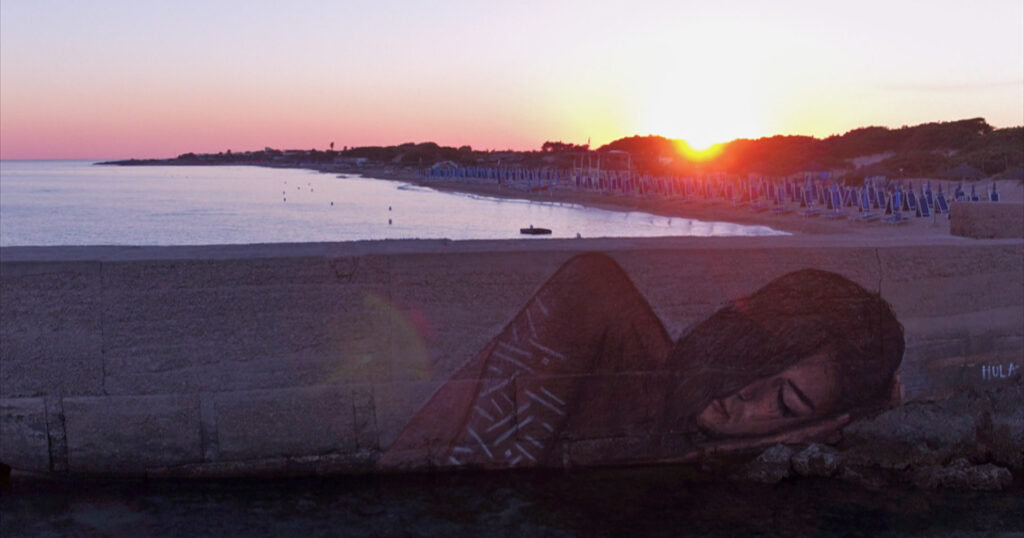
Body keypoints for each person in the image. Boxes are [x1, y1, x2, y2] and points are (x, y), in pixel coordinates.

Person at [379, 253, 904, 470]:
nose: (747, 391)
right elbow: (461, 492)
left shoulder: (681, 440)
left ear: (810, 426)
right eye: (755, 358)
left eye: (784, 402)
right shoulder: (601, 307)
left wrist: (769, 441)